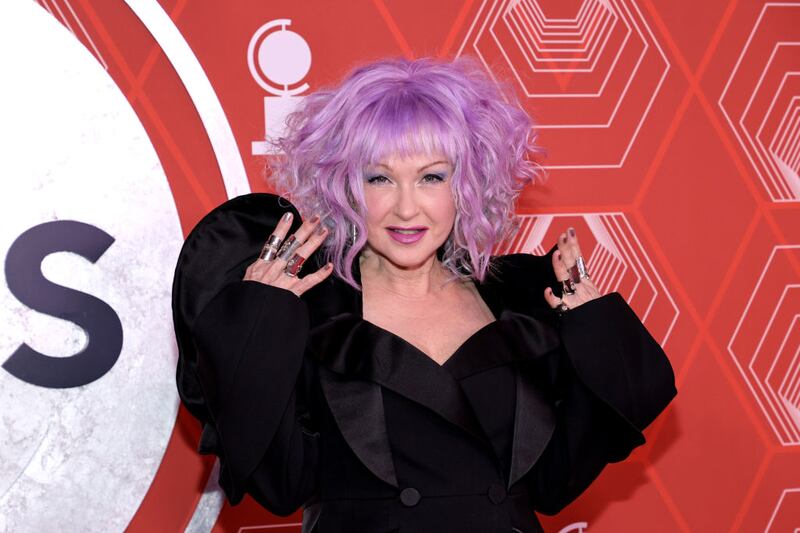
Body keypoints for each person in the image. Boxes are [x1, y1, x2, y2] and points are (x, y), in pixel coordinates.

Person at [172, 57, 676, 533]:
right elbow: (280, 485)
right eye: (380, 178)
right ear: (345, 186)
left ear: (469, 184)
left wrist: (593, 330)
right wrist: (256, 322)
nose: (407, 208)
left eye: (432, 177)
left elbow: (551, 485)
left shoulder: (521, 308)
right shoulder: (309, 314)